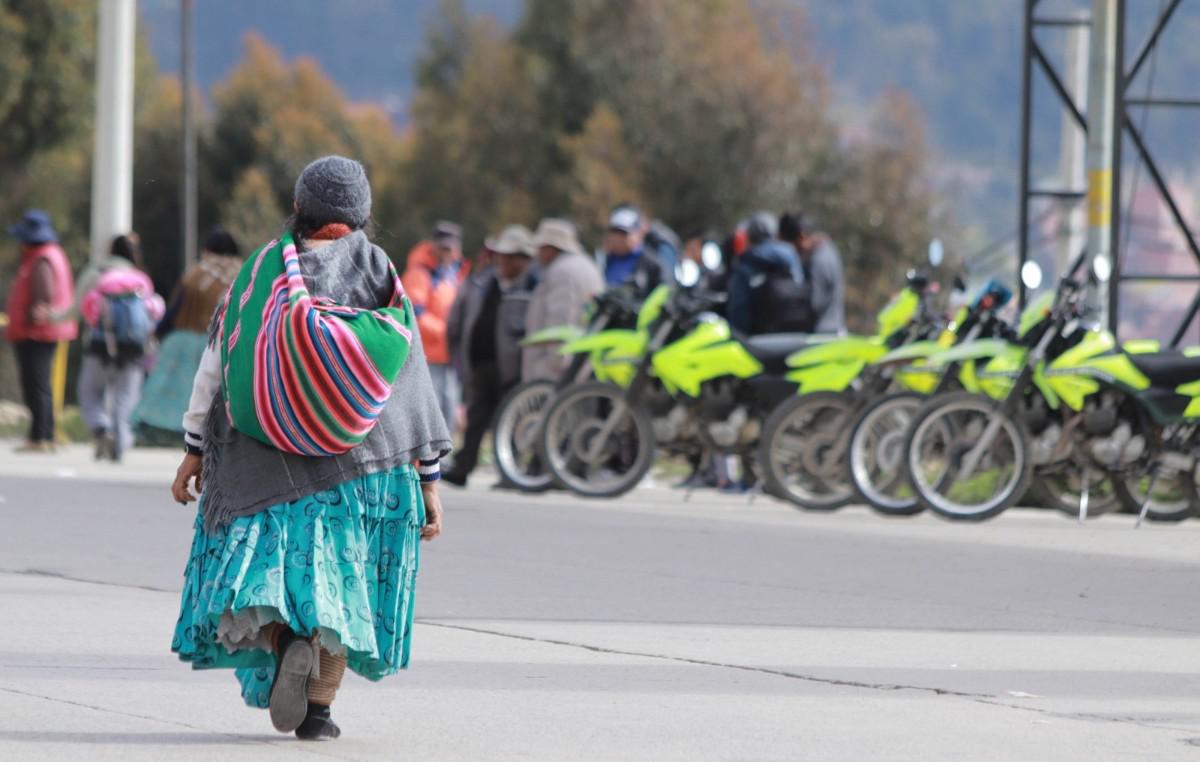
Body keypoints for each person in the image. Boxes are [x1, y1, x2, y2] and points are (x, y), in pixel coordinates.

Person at [169, 156, 451, 741]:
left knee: (263, 583)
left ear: (298, 207)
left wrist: (195, 447)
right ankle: (318, 714)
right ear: (362, 215)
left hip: (263, 465)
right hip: (363, 469)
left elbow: (217, 361)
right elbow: (411, 380)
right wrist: (428, 478)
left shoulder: (262, 271)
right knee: (347, 588)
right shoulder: (380, 272)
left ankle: (282, 642)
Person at [443, 225, 537, 487]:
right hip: (481, 362)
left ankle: (511, 471)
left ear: (523, 259)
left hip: (512, 366)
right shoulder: (484, 282)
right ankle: (463, 467)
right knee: (476, 418)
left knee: (510, 419)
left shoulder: (532, 286)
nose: (501, 261)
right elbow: (461, 318)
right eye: (500, 255)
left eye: (508, 256)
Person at [132, 228, 241, 442]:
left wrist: (157, 332)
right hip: (223, 344)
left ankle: (170, 433)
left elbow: (175, 309)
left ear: (207, 250)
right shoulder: (243, 274)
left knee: (178, 392)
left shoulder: (196, 274)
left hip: (184, 341)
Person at [78, 234, 165, 462]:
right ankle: (120, 442)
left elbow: (85, 308)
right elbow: (152, 312)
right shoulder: (141, 279)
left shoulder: (98, 275)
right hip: (133, 347)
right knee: (125, 397)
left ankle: (101, 427)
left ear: (110, 251)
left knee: (90, 392)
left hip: (100, 345)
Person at [4, 210, 78, 453]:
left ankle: (40, 436)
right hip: (43, 330)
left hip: (37, 331)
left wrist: (31, 316)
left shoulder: (41, 259)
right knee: (40, 385)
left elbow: (43, 293)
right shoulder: (50, 254)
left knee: (35, 385)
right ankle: (43, 433)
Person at [403, 221, 466, 435]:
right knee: (433, 405)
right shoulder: (419, 273)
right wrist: (446, 331)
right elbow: (415, 313)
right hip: (428, 354)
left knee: (450, 403)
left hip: (450, 353)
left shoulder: (455, 273)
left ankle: (446, 448)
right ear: (434, 246)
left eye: (451, 248)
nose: (447, 253)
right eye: (443, 248)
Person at [522, 218, 604, 381]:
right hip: (584, 365)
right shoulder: (587, 265)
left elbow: (561, 320)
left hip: (557, 373)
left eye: (541, 247)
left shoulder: (562, 272)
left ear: (551, 247)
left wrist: (555, 363)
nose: (538, 253)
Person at [726, 212, 807, 336]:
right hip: (795, 336)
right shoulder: (792, 257)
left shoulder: (745, 263)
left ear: (750, 235)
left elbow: (738, 314)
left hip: (755, 340)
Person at [780, 212, 845, 333]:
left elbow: (815, 302)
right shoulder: (826, 250)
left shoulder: (819, 260)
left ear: (801, 237)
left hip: (823, 334)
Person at [597, 204, 674, 297]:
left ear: (638, 233)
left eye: (623, 233)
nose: (618, 238)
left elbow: (664, 294)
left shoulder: (652, 264)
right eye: (615, 232)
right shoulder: (604, 259)